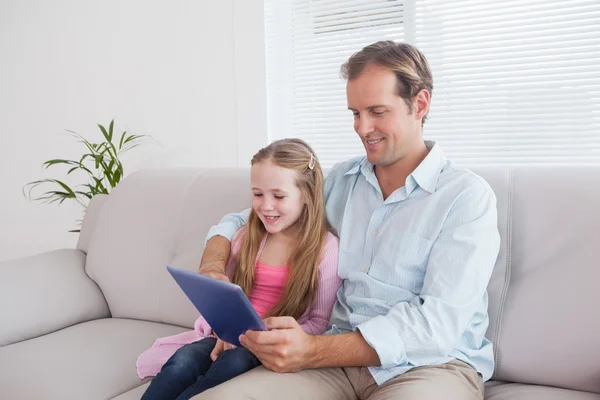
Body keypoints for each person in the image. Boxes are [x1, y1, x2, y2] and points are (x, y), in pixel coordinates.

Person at [195, 41, 501, 400]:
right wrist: (214, 264)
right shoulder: (341, 181)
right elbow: (248, 219)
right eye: (355, 113)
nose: (362, 127)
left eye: (377, 111)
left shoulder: (465, 197)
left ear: (419, 104)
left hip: (430, 366)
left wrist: (311, 350)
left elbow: (437, 326)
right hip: (329, 362)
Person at [136, 138, 342, 400]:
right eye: (258, 194)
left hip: (271, 345)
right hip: (230, 335)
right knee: (184, 359)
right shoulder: (247, 237)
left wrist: (263, 337)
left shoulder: (326, 250)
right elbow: (225, 297)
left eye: (278, 196)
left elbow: (319, 322)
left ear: (307, 195)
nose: (266, 206)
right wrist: (226, 330)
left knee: (234, 363)